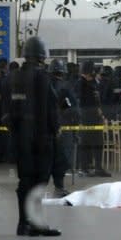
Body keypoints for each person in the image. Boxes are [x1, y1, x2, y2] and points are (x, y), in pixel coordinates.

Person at [2, 37, 61, 237]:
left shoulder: (11, 77)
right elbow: (50, 108)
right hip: (41, 139)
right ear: (41, 56)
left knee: (24, 181)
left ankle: (22, 224)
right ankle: (37, 223)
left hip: (20, 140)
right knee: (39, 182)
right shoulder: (42, 77)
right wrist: (54, 131)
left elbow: (6, 111)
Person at [49, 59, 80, 198]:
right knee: (62, 157)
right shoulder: (64, 87)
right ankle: (59, 187)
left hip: (45, 128)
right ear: (63, 72)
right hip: (63, 127)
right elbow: (73, 109)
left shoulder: (42, 85)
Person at [75, 61, 111, 177]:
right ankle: (83, 169)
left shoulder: (93, 83)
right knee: (85, 144)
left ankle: (98, 168)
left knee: (98, 143)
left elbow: (96, 101)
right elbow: (79, 102)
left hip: (95, 118)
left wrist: (101, 115)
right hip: (85, 118)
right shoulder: (80, 84)